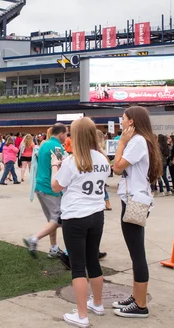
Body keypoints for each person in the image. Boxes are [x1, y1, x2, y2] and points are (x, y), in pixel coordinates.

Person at [51, 118, 109, 327]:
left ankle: (82, 315)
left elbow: (56, 186)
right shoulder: (103, 159)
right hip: (97, 214)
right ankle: (98, 303)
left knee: (78, 266)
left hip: (75, 216)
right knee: (93, 260)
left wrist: (54, 166)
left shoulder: (72, 161)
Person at [111, 106, 162, 318]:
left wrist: (121, 143)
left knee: (137, 253)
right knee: (135, 253)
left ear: (131, 122)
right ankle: (136, 296)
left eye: (123, 119)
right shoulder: (142, 140)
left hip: (135, 200)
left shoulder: (137, 141)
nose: (121, 122)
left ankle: (140, 305)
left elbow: (117, 167)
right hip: (134, 198)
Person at [23, 123, 68, 259]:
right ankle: (34, 239)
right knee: (58, 220)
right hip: (50, 189)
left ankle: (53, 248)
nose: (66, 137)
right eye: (66, 134)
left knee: (52, 220)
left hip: (40, 186)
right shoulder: (57, 147)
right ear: (61, 134)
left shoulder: (43, 145)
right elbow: (59, 167)